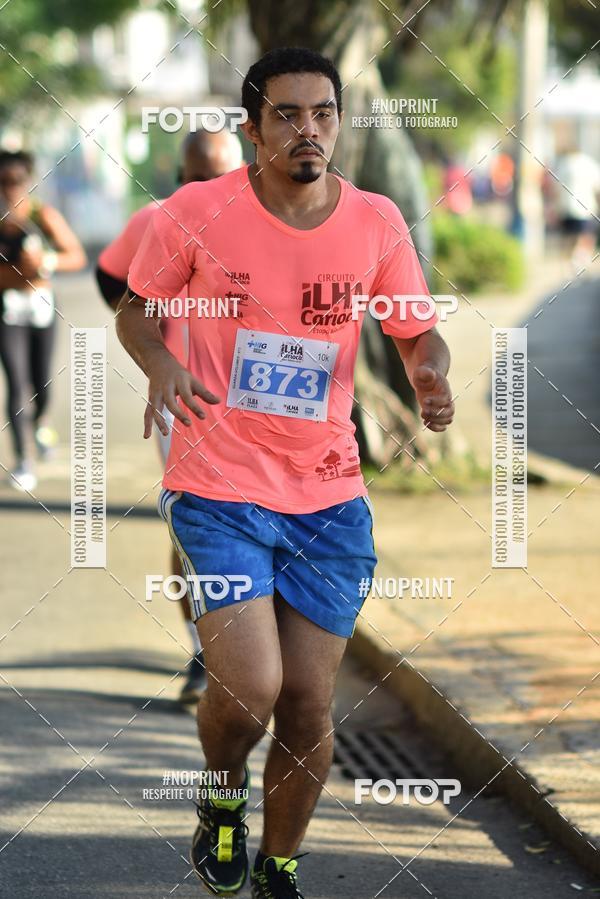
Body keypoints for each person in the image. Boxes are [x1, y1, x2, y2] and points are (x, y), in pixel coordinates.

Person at [117, 47, 454, 899]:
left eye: (324, 114)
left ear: (339, 121)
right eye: (287, 114)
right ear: (253, 126)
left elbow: (417, 327)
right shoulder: (197, 212)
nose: (309, 130)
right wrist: (160, 362)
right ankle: (222, 794)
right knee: (252, 688)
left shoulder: (376, 220)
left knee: (308, 704)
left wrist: (428, 370)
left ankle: (279, 866)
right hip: (220, 486)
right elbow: (136, 311)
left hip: (330, 496)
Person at [96, 128, 243, 703]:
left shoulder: (270, 216)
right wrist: (155, 347)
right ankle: (206, 655)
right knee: (195, 526)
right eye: (197, 177)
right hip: (189, 405)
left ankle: (261, 652)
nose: (209, 189)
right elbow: (112, 280)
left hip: (268, 408)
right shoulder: (159, 218)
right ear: (180, 177)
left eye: (223, 177)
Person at [0, 149, 86, 491]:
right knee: (16, 382)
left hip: (41, 307)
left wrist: (44, 262)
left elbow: (75, 256)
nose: (9, 188)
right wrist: (14, 274)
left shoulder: (42, 215)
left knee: (41, 384)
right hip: (7, 311)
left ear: (28, 181)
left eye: (16, 181)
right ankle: (23, 460)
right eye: (2, 182)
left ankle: (42, 421)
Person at [554, 146, 600, 270]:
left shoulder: (563, 165)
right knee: (585, 235)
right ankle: (580, 261)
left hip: (566, 207)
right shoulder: (589, 163)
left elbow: (556, 189)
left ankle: (570, 262)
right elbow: (597, 187)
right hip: (585, 207)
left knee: (569, 237)